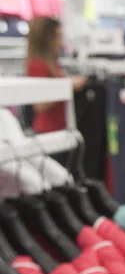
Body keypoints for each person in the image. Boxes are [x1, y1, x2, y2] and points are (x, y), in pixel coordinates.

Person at [26, 17, 87, 165]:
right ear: (47, 38)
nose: (60, 42)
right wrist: (68, 87)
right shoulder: (38, 65)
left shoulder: (51, 63)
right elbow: (39, 105)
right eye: (57, 37)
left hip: (58, 130)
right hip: (48, 133)